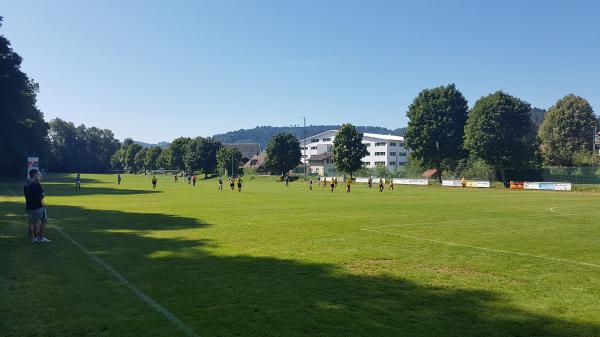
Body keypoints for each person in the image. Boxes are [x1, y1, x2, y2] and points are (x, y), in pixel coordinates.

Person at [24, 169, 50, 243]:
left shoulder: (26, 183)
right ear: (34, 175)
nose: (40, 175)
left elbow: (26, 194)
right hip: (38, 206)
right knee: (43, 221)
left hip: (29, 205)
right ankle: (40, 238)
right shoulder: (36, 183)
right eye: (39, 174)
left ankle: (32, 238)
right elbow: (43, 195)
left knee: (31, 222)